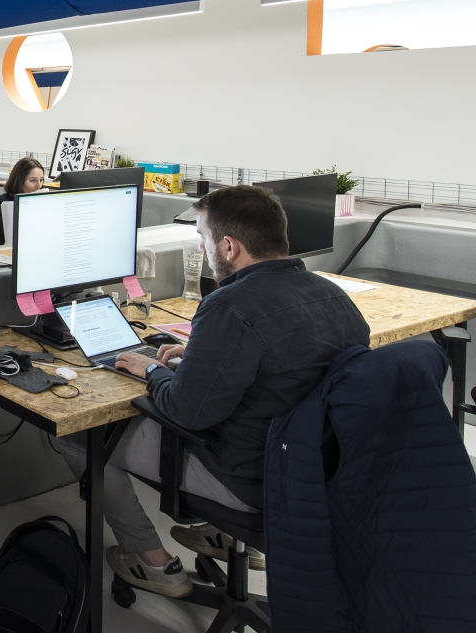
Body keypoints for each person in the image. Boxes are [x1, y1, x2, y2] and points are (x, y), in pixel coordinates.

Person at [55, 185, 369, 598]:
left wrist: (152, 369)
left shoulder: (230, 305)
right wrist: (203, 355)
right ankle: (221, 536)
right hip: (313, 472)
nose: (203, 249)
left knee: (81, 439)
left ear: (229, 246)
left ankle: (154, 563)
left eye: (203, 238)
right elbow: (282, 365)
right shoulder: (332, 294)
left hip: (247, 480)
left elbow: (185, 412)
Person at [0, 156, 45, 245]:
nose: (39, 185)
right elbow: (5, 240)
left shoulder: (41, 200)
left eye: (41, 180)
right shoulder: (2, 202)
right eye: (33, 180)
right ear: (19, 180)